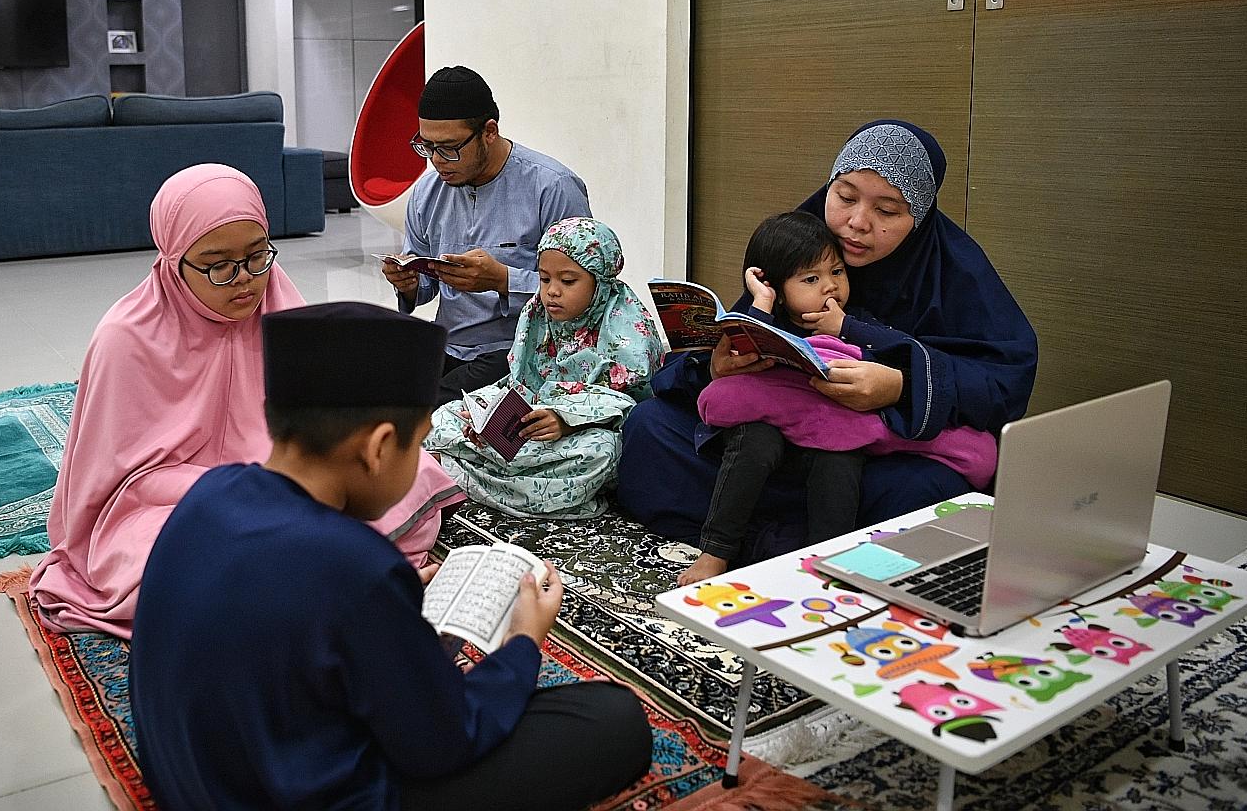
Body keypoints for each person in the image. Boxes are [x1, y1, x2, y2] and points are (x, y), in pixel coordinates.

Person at [130, 302, 653, 811]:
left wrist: (395, 615)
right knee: (611, 720)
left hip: (189, 783)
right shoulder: (356, 565)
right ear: (379, 446)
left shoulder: (208, 493)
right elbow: (443, 742)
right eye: (420, 444)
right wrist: (521, 644)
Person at [29, 165, 462, 638]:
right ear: (175, 261)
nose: (246, 281)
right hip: (175, 500)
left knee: (410, 471)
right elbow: (118, 483)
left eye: (258, 257)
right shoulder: (126, 338)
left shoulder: (278, 300)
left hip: (282, 473)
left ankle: (324, 581)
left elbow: (324, 418)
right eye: (219, 265)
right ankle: (345, 584)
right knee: (202, 552)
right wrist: (247, 490)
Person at [617, 120, 1037, 563]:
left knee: (927, 492)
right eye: (846, 196)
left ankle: (752, 541)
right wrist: (716, 367)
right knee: (649, 427)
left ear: (920, 216)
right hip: (771, 445)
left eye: (887, 211)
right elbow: (735, 335)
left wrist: (900, 385)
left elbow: (1004, 384)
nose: (857, 223)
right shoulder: (803, 244)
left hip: (869, 457)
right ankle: (796, 546)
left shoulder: (956, 275)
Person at [678, 210, 997, 585]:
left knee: (840, 464)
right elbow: (743, 347)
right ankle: (716, 550)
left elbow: (898, 352)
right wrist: (760, 298)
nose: (830, 286)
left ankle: (825, 558)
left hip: (830, 430)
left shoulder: (856, 320)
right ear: (779, 288)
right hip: (769, 428)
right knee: (753, 443)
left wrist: (844, 328)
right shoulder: (771, 318)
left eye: (837, 272)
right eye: (811, 278)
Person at [424, 217, 666, 519]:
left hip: (589, 431)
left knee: (600, 452)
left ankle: (462, 475)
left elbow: (632, 406)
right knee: (444, 416)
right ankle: (497, 477)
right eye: (544, 278)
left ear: (600, 282)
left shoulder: (626, 327)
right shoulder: (537, 312)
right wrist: (485, 412)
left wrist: (565, 419)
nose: (552, 291)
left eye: (567, 281)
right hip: (531, 424)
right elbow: (521, 380)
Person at [382, 65, 592, 404]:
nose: (437, 161)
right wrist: (408, 284)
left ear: (489, 132)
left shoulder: (551, 187)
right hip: (449, 345)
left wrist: (502, 279)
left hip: (525, 350)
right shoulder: (427, 193)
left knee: (425, 413)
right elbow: (424, 288)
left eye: (449, 147)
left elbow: (587, 291)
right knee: (373, 396)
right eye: (427, 146)